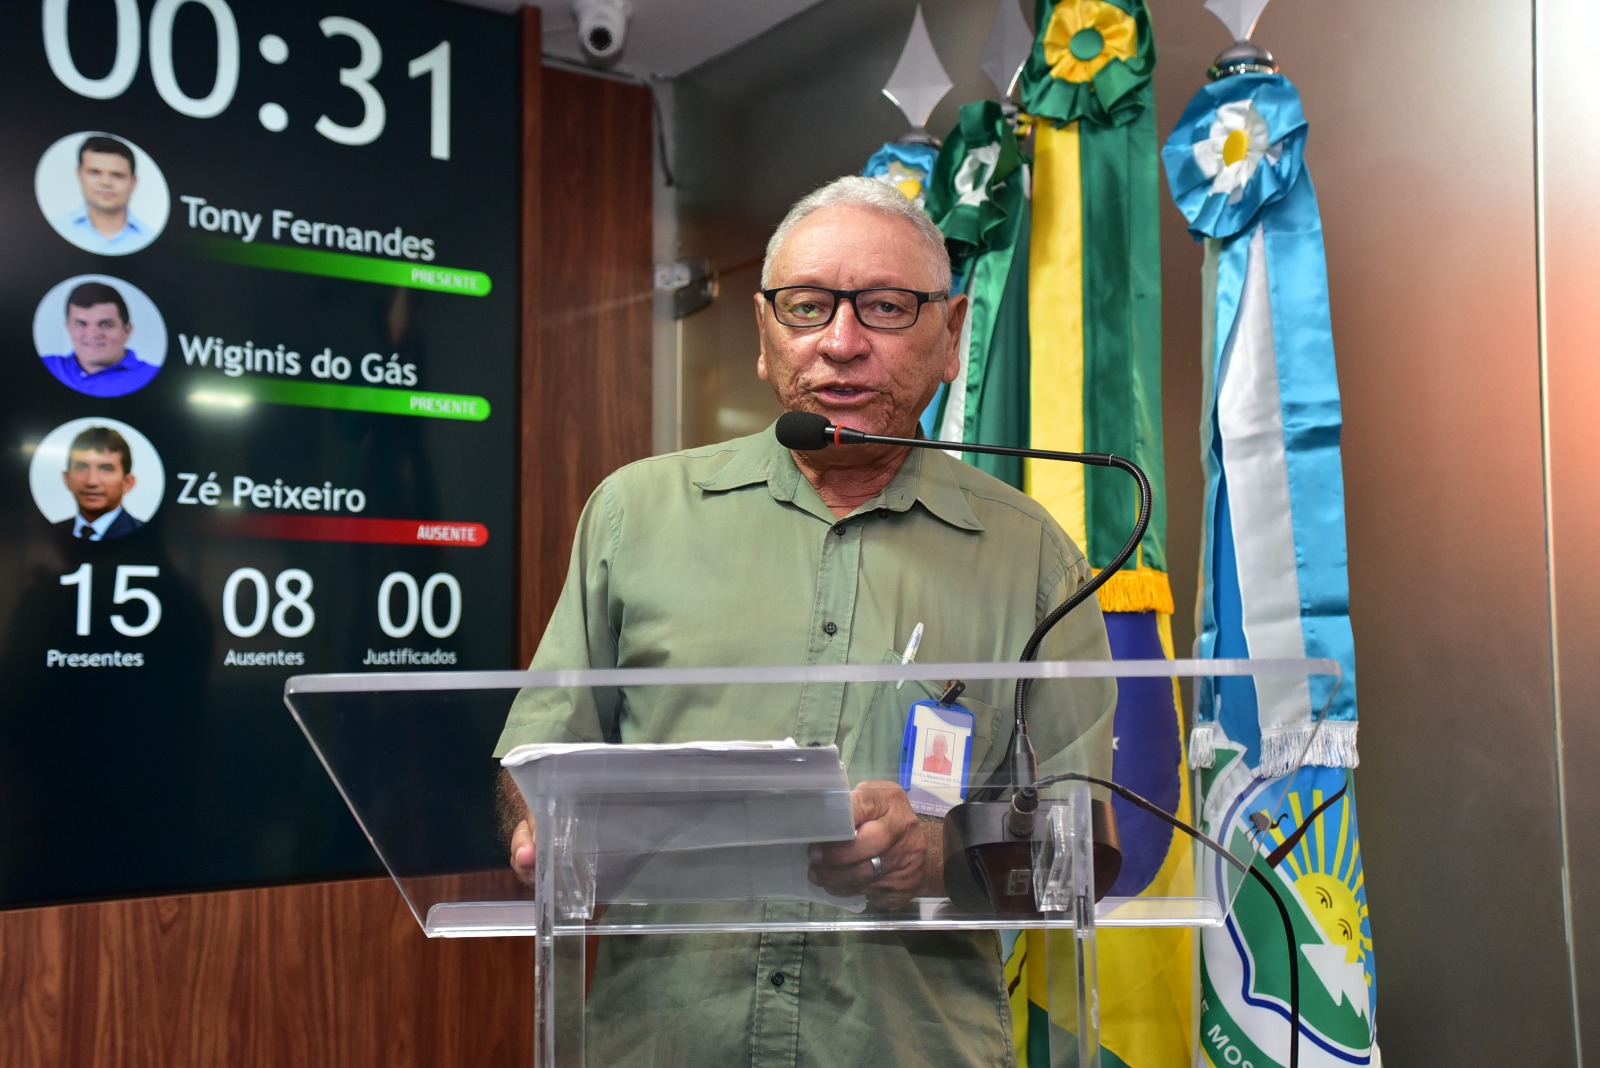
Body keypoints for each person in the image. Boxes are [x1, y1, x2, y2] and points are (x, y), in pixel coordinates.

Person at [495, 176, 1116, 1066]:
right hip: (663, 1043)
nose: (840, 342)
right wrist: (537, 834)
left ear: (952, 337)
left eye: (888, 308)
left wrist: (935, 855)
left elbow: (1082, 851)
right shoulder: (636, 514)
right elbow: (538, 756)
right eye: (807, 307)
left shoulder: (1033, 559)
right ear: (763, 336)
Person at [40, 282, 159, 397]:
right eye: (81, 324)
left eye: (106, 324)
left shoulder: (154, 376)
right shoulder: (43, 366)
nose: (93, 334)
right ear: (68, 327)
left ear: (127, 331)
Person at [54, 135, 155, 255]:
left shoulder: (151, 239)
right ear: (79, 175)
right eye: (95, 172)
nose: (106, 183)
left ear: (133, 182)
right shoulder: (58, 227)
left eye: (117, 175)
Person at [57, 426, 144, 541]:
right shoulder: (46, 536)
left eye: (106, 469)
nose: (91, 481)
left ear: (127, 483)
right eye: (82, 467)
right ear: (67, 478)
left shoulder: (146, 537)